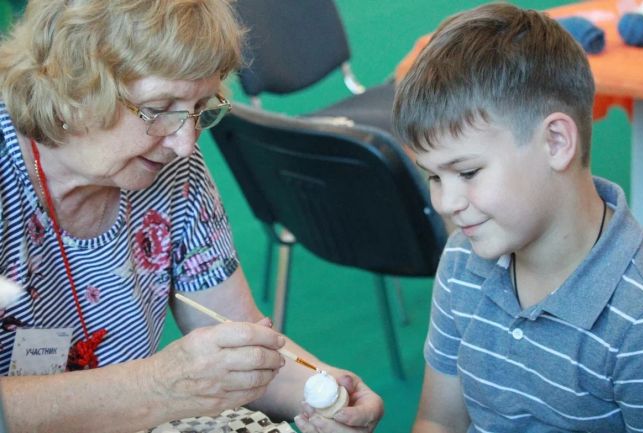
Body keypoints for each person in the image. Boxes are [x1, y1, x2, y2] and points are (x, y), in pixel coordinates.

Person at [0, 1, 383, 432]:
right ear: (71, 88)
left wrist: (326, 392)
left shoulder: (170, 166)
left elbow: (238, 336)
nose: (184, 143)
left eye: (201, 107)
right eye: (159, 107)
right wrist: (157, 386)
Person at [393, 3, 643, 433]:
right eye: (434, 177)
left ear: (555, 142)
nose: (445, 202)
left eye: (468, 172)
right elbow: (439, 419)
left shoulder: (639, 316)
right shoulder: (461, 259)